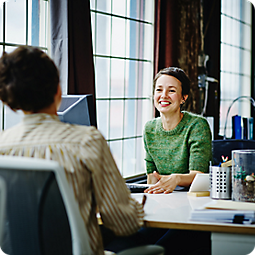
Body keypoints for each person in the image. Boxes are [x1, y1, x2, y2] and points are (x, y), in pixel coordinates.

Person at [0, 46, 144, 255]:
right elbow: (124, 224)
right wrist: (138, 207)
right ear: (58, 91)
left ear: (11, 103)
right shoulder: (87, 141)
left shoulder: (3, 146)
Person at [143, 67, 212, 194]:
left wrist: (176, 179)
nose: (163, 95)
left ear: (183, 98)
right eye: (159, 90)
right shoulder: (149, 129)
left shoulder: (197, 126)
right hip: (163, 197)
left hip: (192, 197)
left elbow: (198, 175)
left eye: (172, 91)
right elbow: (152, 177)